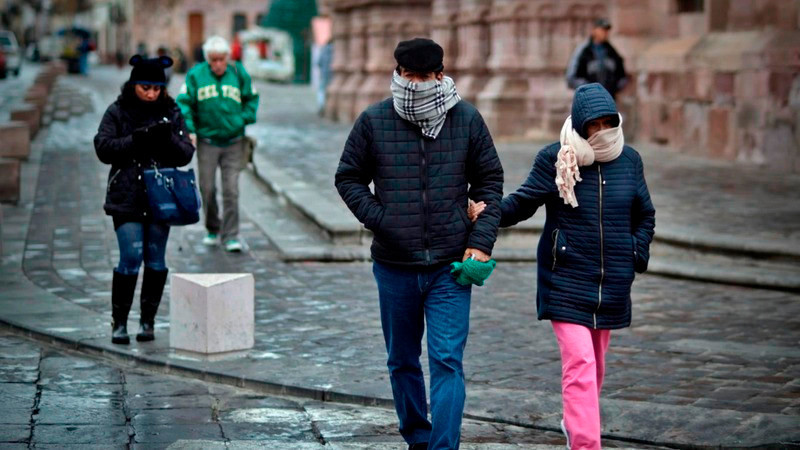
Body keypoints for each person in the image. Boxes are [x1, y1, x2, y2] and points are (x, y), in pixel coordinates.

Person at [335, 38, 504, 450]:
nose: (415, 85)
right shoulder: (374, 120)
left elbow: (490, 183)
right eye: (408, 76)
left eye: (424, 77)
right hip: (394, 265)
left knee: (447, 360)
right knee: (403, 361)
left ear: (440, 76)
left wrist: (480, 241)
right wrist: (383, 219)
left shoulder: (466, 119)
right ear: (397, 74)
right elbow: (348, 177)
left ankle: (443, 447)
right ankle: (417, 436)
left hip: (451, 266)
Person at [468, 83, 655, 449]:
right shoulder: (557, 158)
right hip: (566, 277)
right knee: (581, 363)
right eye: (594, 124)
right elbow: (524, 202)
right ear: (581, 124)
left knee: (595, 367)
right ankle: (585, 443)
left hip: (612, 281)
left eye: (608, 122)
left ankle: (575, 420)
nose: (601, 131)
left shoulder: (629, 160)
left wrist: (636, 252)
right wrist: (489, 213)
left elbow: (644, 214)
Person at [94, 55, 195, 345]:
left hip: (161, 197)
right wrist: (137, 139)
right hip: (126, 194)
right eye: (145, 87)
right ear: (134, 85)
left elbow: (186, 152)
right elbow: (103, 147)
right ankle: (120, 322)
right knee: (130, 258)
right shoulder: (118, 110)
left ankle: (147, 321)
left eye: (156, 88)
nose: (151, 93)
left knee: (156, 260)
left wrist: (166, 138)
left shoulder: (171, 110)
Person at [177, 36, 260, 252]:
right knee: (207, 188)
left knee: (231, 190)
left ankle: (231, 235)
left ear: (227, 58)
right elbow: (184, 103)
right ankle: (213, 227)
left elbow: (252, 98)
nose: (218, 65)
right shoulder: (196, 75)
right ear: (207, 60)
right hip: (207, 142)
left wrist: (243, 119)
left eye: (221, 59)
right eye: (213, 60)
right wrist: (191, 130)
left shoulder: (238, 73)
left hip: (234, 141)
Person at [566, 18, 628, 99]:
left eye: (606, 30)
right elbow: (571, 77)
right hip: (588, 101)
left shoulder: (612, 52)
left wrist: (613, 89)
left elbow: (622, 76)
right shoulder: (583, 51)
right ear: (594, 30)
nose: (605, 33)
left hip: (608, 100)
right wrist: (588, 89)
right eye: (602, 29)